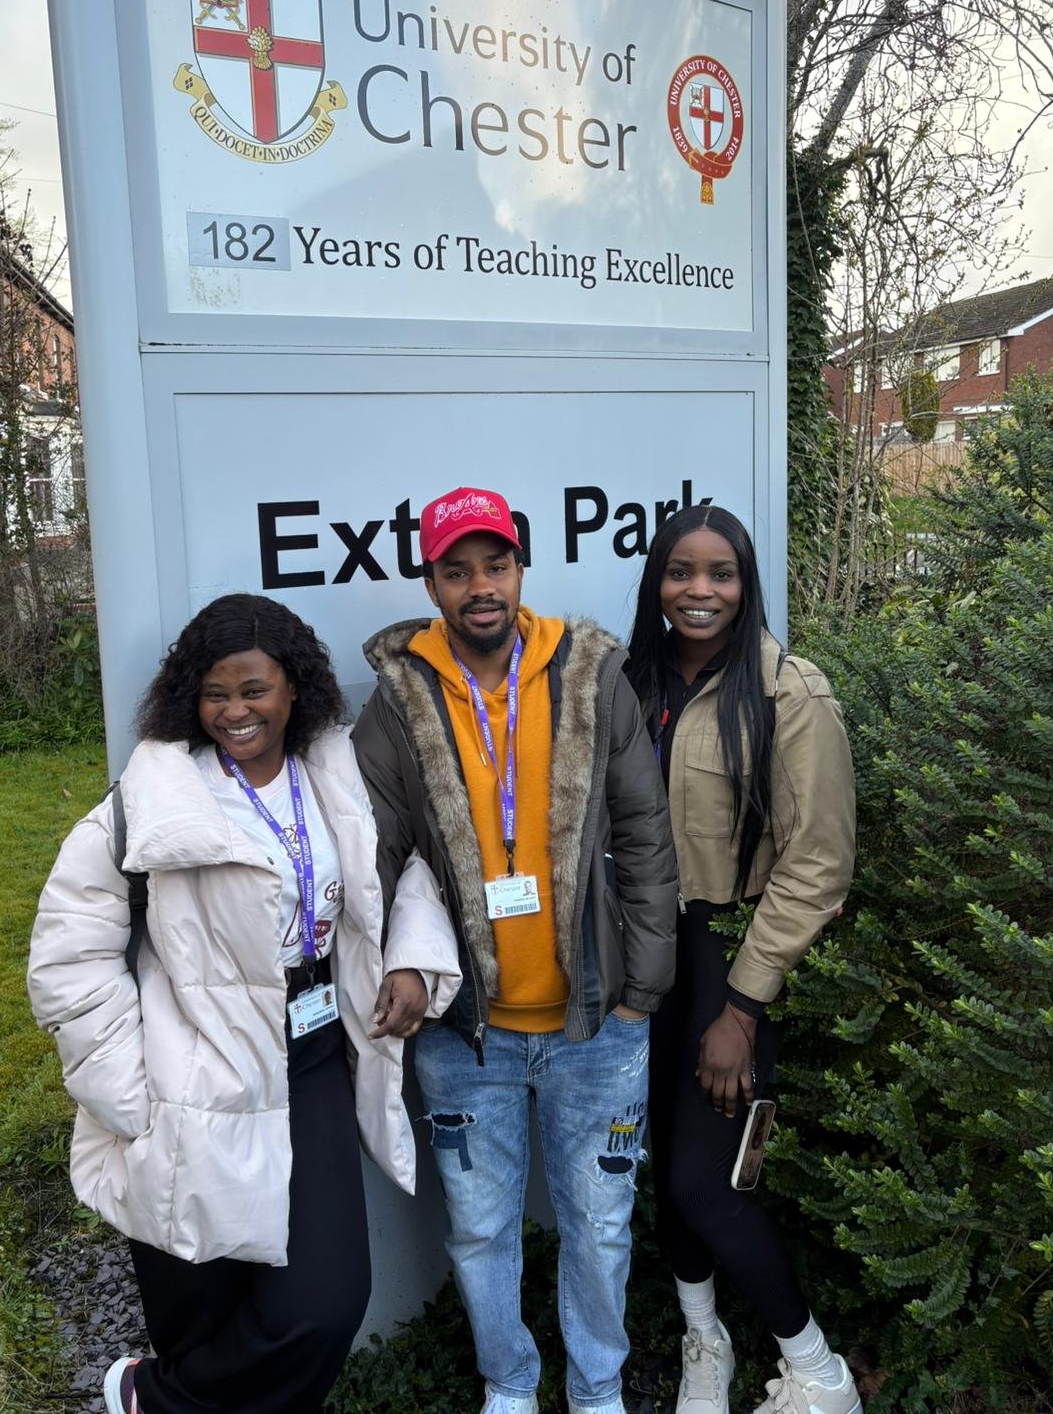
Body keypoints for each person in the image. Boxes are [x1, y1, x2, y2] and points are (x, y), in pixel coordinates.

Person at [28, 593, 460, 1414]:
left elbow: (402, 870)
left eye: (254, 690)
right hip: (193, 1063)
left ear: (294, 688)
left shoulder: (338, 775)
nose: (235, 711)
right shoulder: (154, 800)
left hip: (315, 1050)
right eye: (215, 693)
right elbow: (67, 955)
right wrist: (127, 1089)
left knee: (324, 1303)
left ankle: (148, 1399)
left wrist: (411, 958)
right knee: (200, 1298)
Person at [352, 485, 678, 1414]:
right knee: (479, 1230)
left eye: (495, 566)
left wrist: (644, 985)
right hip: (467, 1031)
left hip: (595, 1024)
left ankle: (599, 1387)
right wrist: (391, 968)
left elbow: (644, 832)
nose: (480, 587)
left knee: (600, 1228)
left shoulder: (590, 677)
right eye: (457, 572)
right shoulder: (398, 701)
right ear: (432, 584)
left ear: (520, 569)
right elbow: (373, 856)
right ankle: (510, 1382)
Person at [625, 506, 859, 1414]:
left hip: (733, 953)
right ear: (657, 582)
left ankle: (820, 1374)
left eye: (720, 573)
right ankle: (704, 1341)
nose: (700, 591)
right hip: (649, 957)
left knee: (707, 1182)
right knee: (665, 1170)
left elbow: (819, 861)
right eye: (680, 572)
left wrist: (743, 1007)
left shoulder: (788, 693)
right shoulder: (631, 682)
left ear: (746, 582)